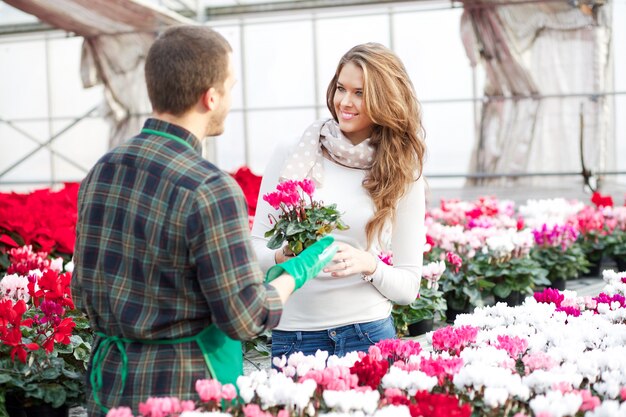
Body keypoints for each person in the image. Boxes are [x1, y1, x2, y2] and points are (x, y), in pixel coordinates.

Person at [71, 25, 335, 416]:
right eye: (230, 86)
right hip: (182, 392)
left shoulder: (101, 171)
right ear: (210, 98)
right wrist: (296, 272)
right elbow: (247, 318)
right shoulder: (209, 187)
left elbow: (83, 292)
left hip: (109, 386)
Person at [251, 43, 426, 360]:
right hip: (294, 338)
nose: (345, 102)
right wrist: (282, 256)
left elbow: (409, 287)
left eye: (359, 93)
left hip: (367, 333)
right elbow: (252, 251)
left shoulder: (401, 172)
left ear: (384, 100)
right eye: (341, 89)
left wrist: (369, 264)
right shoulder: (294, 152)